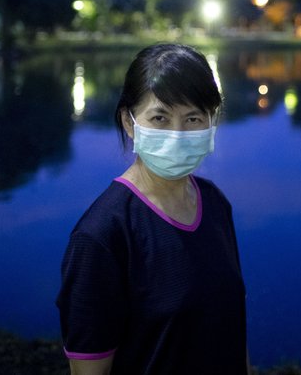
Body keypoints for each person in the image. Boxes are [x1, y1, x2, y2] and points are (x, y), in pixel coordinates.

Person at [56, 43, 248, 374]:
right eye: (160, 117)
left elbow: (232, 328)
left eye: (193, 118)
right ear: (130, 123)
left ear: (211, 121)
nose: (177, 134)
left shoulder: (214, 203)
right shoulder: (102, 236)